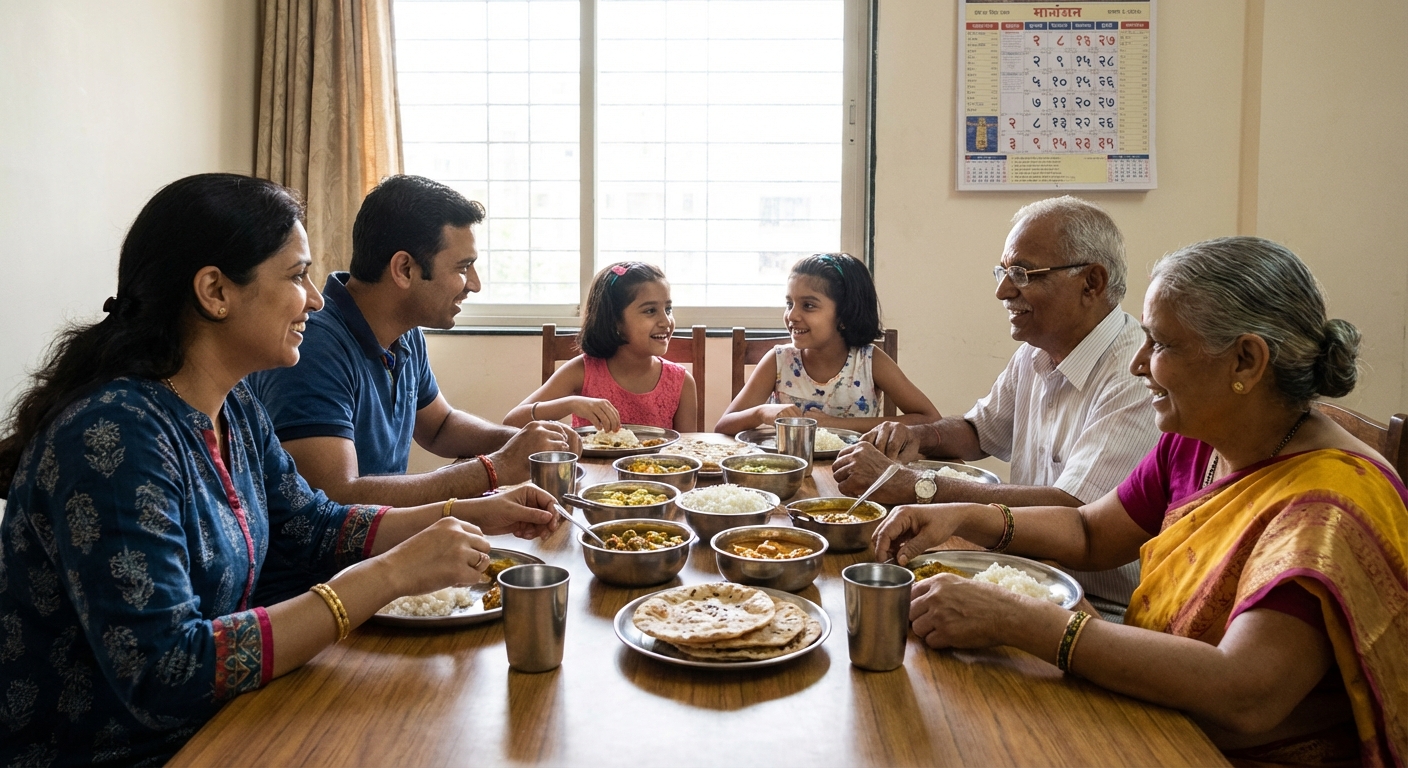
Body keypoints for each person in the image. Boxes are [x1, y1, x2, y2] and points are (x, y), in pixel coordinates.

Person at [0, 174, 560, 765]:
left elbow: (314, 523)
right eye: (297, 276)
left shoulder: (232, 406)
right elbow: (166, 670)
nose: (316, 299)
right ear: (215, 290)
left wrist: (467, 511)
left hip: (223, 720)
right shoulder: (112, 437)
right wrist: (387, 577)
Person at [874, 237, 1406, 765]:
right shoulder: (1202, 437)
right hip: (1156, 711)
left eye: (1161, 344)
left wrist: (1023, 623)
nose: (1138, 363)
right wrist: (963, 515)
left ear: (1246, 360)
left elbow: (1246, 693)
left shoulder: (1329, 505)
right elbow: (1091, 533)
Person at [833, 197, 1158, 618]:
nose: (1003, 290)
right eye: (1003, 272)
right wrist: (917, 435)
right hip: (1028, 573)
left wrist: (918, 487)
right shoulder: (1037, 351)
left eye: (1022, 273)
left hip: (1099, 607)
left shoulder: (1134, 375)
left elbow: (1075, 512)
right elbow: (977, 432)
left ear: (1091, 283)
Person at [247, 175, 578, 508]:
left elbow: (440, 426)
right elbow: (338, 499)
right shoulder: (314, 346)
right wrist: (496, 468)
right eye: (463, 267)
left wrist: (522, 443)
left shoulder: (406, 333)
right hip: (342, 559)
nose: (474, 284)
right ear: (404, 268)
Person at [714, 252, 939, 436]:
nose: (792, 315)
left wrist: (834, 424)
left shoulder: (869, 361)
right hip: (791, 476)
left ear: (844, 315)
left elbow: (930, 420)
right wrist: (761, 413)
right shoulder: (780, 360)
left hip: (857, 477)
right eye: (789, 303)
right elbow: (723, 426)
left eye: (808, 306)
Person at [504, 262, 698, 432]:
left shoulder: (682, 383)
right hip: (590, 474)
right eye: (650, 311)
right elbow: (512, 422)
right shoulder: (582, 371)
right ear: (615, 321)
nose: (666, 321)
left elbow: (687, 454)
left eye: (668, 309)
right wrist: (571, 404)